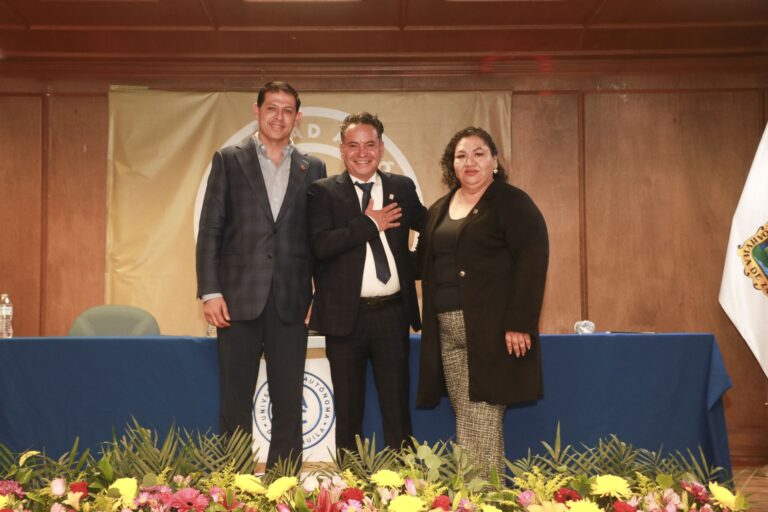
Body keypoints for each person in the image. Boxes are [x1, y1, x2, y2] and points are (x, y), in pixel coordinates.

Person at [196, 81, 327, 469]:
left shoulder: (313, 167)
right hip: (236, 299)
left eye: (288, 110)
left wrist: (320, 296)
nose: (279, 116)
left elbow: (318, 238)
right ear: (256, 111)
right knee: (235, 401)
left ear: (297, 119)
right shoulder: (228, 158)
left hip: (292, 299)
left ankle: (282, 488)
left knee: (289, 403)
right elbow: (211, 229)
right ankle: (235, 487)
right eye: (272, 108)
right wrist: (210, 291)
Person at [414, 126, 548, 478]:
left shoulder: (511, 202)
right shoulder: (440, 208)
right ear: (451, 164)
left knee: (482, 416)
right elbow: (422, 263)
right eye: (461, 155)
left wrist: (520, 322)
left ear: (494, 161)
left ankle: (480, 496)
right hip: (447, 330)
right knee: (469, 416)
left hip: (492, 330)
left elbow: (532, 261)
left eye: (478, 153)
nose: (469, 161)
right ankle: (480, 495)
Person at [307, 112, 427, 452]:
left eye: (370, 145)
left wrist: (415, 264)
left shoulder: (400, 188)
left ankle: (404, 490)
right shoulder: (322, 193)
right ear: (342, 151)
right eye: (354, 146)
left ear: (382, 148)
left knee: (397, 409)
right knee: (348, 411)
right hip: (345, 319)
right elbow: (320, 246)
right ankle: (352, 493)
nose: (363, 153)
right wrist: (369, 225)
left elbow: (429, 227)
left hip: (392, 314)